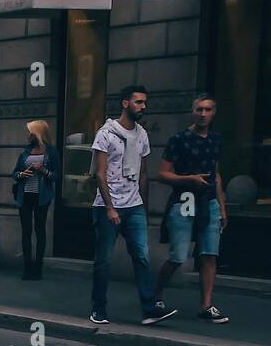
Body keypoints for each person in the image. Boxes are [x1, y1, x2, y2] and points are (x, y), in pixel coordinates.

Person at [89, 84, 176, 327]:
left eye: (144, 103)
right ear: (125, 103)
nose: (143, 106)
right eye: (138, 102)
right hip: (109, 206)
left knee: (142, 257)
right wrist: (110, 207)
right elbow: (100, 174)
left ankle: (149, 309)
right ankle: (98, 309)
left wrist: (143, 208)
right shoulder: (105, 134)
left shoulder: (142, 135)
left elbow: (144, 174)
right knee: (104, 260)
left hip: (134, 205)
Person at [156, 93, 230, 324]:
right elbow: (162, 173)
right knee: (178, 256)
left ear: (214, 113)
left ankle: (206, 305)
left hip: (208, 203)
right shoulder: (179, 139)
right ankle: (155, 295)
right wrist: (188, 178)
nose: (203, 114)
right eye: (199, 109)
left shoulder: (216, 139)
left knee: (209, 254)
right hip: (184, 200)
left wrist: (222, 206)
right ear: (193, 111)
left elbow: (216, 174)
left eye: (208, 110)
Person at [11, 120, 58, 281]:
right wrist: (21, 174)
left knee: (39, 231)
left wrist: (43, 170)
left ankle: (38, 268)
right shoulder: (25, 152)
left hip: (41, 197)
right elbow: (14, 173)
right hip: (25, 196)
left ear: (38, 133)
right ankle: (27, 268)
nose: (28, 135)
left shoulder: (51, 152)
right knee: (26, 232)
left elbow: (55, 176)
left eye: (31, 132)